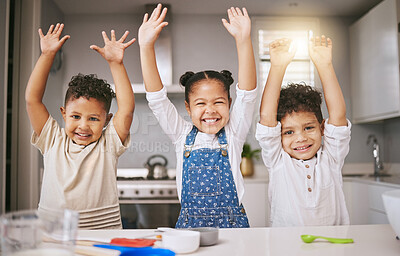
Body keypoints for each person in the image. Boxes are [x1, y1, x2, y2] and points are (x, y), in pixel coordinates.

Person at [138, 4, 257, 228]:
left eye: (219, 102)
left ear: (230, 104)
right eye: (200, 104)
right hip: (190, 228)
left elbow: (248, 95)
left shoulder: (234, 133)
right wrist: (146, 46)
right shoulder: (181, 135)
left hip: (234, 228)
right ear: (188, 108)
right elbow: (157, 99)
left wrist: (243, 40)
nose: (210, 110)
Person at [25, 23, 136, 229]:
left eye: (93, 119)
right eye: (76, 116)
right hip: (53, 233)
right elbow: (32, 99)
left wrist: (115, 63)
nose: (83, 126)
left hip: (102, 232)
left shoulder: (108, 143)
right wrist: (47, 55)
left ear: (107, 120)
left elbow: (127, 108)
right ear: (64, 114)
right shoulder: (52, 139)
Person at [256, 36, 351, 227]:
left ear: (322, 128)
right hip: (286, 247)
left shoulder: (332, 158)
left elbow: (338, 115)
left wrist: (325, 65)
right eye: (288, 132)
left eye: (308, 128)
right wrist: (277, 67)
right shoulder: (277, 161)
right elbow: (267, 117)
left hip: (332, 245)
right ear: (278, 135)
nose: (301, 138)